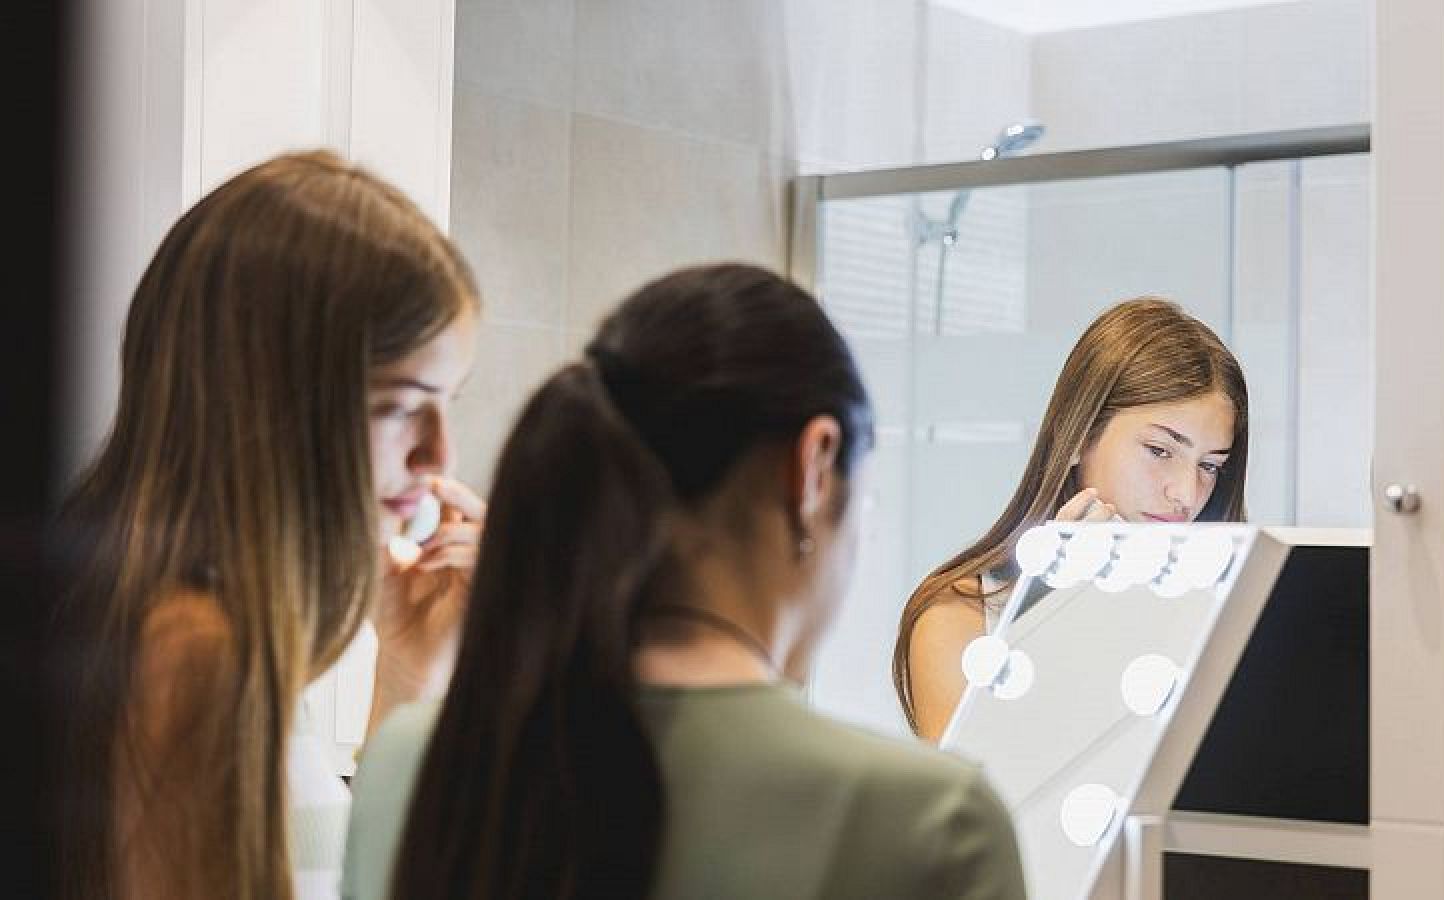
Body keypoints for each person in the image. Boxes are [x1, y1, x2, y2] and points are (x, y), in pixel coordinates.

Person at [344, 263, 1027, 900]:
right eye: (866, 502)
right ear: (815, 468)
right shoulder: (931, 819)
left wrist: (408, 680)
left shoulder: (409, 764)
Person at [52, 151, 484, 899]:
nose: (437, 453)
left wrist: (408, 675)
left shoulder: (187, 627)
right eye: (400, 405)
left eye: (448, 403)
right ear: (273, 398)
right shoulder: (194, 655)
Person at [893, 296, 1249, 741]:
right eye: (1160, 451)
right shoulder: (959, 617)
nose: (1187, 493)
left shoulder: (1223, 614)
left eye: (1210, 466)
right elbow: (985, 803)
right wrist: (1056, 616)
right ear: (1078, 435)